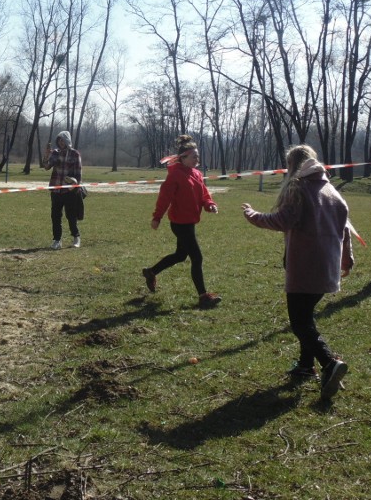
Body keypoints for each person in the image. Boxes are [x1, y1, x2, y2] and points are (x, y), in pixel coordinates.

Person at [241, 144, 354, 401]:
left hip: (305, 266)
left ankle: (329, 363)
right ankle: (306, 365)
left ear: (292, 165)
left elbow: (281, 220)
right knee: (307, 316)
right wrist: (347, 259)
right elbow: (344, 229)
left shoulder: (298, 188)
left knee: (299, 322)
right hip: (328, 268)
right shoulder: (332, 190)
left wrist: (252, 214)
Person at [142, 135, 221, 309]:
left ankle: (151, 272)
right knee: (197, 257)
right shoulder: (175, 175)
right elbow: (164, 198)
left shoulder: (197, 174)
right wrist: (157, 217)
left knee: (180, 255)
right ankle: (203, 296)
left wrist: (210, 204)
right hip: (179, 223)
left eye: (198, 156)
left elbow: (204, 195)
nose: (197, 159)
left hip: (190, 221)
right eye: (194, 156)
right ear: (183, 158)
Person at [44, 131, 82, 249]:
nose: (61, 142)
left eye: (63, 140)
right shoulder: (55, 153)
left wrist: (74, 185)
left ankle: (76, 237)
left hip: (69, 191)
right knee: (55, 216)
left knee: (71, 216)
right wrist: (46, 155)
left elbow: (78, 174)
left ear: (68, 141)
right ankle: (57, 240)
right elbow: (46, 167)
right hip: (56, 190)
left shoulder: (75, 154)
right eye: (59, 140)